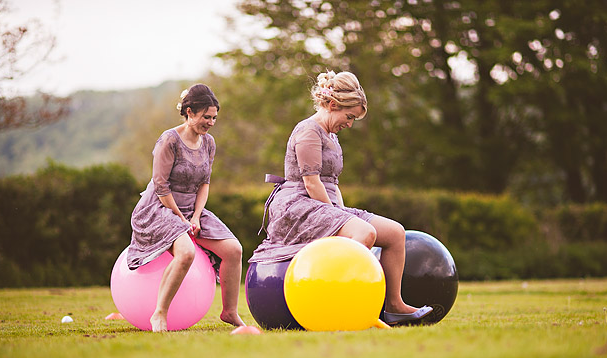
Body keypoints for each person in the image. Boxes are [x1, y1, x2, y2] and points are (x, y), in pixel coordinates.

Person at [249, 70, 432, 325]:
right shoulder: (308, 131)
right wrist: (340, 217)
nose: (350, 123)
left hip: (325, 202)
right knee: (364, 233)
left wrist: (343, 212)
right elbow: (312, 183)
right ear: (333, 105)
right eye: (349, 116)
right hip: (299, 205)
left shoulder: (331, 136)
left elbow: (331, 184)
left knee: (395, 233)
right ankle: (347, 300)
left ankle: (394, 305)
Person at [127, 84, 246, 332]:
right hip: (160, 208)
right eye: (206, 117)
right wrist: (182, 219)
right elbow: (160, 187)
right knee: (186, 253)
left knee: (234, 249)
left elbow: (204, 183)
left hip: (192, 209)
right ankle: (159, 313)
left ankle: (229, 312)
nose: (211, 122)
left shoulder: (209, 143)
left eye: (214, 117)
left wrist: (197, 216)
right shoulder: (169, 140)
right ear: (190, 112)